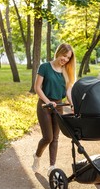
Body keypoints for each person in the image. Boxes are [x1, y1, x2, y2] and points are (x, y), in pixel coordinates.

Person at [32, 43, 76, 176]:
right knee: (48, 137)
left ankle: (52, 166)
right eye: (64, 56)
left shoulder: (66, 70)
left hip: (58, 106)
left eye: (68, 58)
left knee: (55, 138)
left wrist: (72, 104)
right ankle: (37, 156)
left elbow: (68, 90)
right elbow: (37, 87)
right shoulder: (45, 67)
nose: (65, 59)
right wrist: (48, 101)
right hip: (44, 106)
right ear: (58, 53)